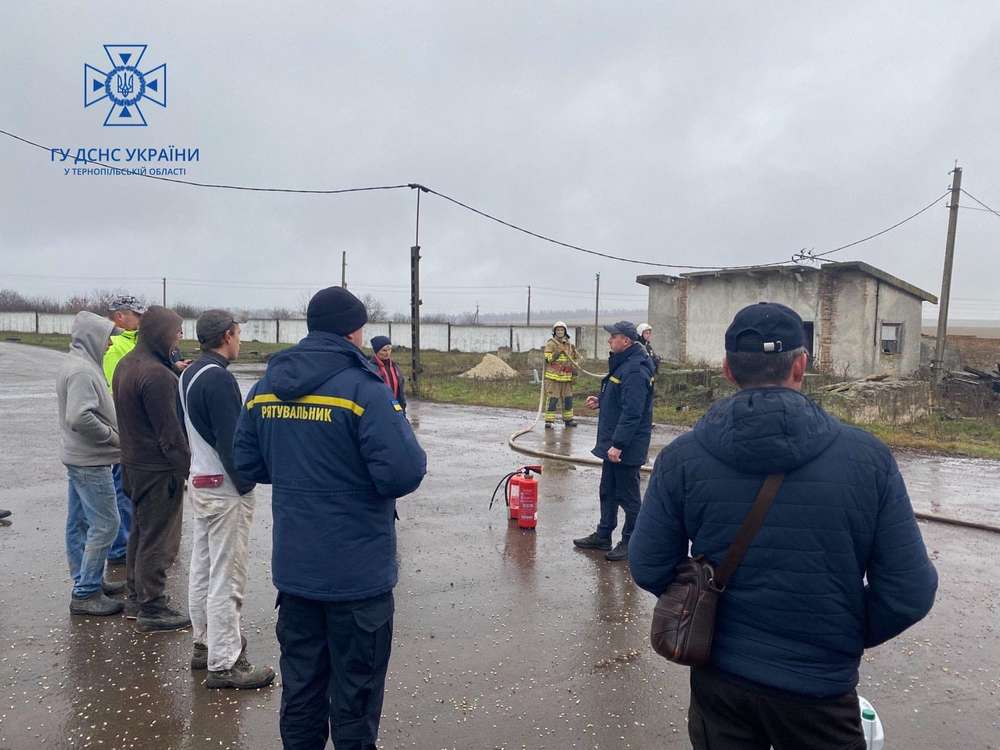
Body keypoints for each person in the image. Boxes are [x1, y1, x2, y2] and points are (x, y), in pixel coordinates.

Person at [629, 302, 938, 750]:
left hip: (721, 683)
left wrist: (705, 610)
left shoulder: (682, 458)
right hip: (821, 691)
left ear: (727, 370)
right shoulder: (868, 459)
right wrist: (843, 632)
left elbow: (648, 564)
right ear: (801, 365)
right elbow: (910, 591)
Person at [234, 286, 427, 750]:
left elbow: (247, 463)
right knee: (355, 699)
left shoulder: (265, 388)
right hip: (357, 580)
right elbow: (404, 472)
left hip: (296, 575)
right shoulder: (365, 390)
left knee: (301, 692)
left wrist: (299, 469)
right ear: (355, 331)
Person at [180, 310, 274, 689]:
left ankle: (204, 643)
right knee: (227, 575)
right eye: (237, 334)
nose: (240, 340)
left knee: (203, 566)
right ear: (226, 336)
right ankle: (224, 662)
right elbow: (231, 441)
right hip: (224, 488)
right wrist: (247, 482)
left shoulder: (189, 373)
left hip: (201, 480)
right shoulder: (218, 379)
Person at [112, 305, 192, 633]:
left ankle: (135, 598)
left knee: (140, 532)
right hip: (158, 470)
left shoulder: (127, 364)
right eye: (176, 333)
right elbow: (170, 435)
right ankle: (153, 606)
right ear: (161, 334)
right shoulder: (157, 376)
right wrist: (186, 469)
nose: (179, 339)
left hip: (132, 464)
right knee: (159, 538)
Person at [57, 311, 127, 615]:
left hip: (80, 458)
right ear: (93, 337)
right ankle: (86, 592)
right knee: (107, 524)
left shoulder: (78, 364)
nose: (110, 344)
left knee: (80, 523)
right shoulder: (82, 371)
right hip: (90, 460)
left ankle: (87, 580)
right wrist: (113, 437)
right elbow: (79, 416)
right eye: (107, 337)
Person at [573, 321, 654, 562]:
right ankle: (603, 535)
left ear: (626, 341)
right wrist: (602, 400)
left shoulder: (636, 369)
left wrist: (618, 445)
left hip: (626, 446)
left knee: (628, 496)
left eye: (613, 336)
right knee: (608, 490)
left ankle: (631, 541)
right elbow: (622, 398)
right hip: (614, 443)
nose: (609, 340)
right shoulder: (623, 363)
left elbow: (633, 412)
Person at [103, 294, 147, 565]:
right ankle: (121, 547)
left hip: (139, 428)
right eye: (136, 315)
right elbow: (114, 390)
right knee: (122, 487)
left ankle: (132, 541)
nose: (140, 319)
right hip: (125, 427)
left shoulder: (137, 342)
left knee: (133, 488)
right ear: (120, 316)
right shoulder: (114, 347)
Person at [543, 321, 579, 429]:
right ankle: (549, 421)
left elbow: (575, 360)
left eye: (562, 330)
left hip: (566, 378)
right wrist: (558, 351)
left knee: (568, 400)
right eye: (558, 330)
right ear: (554, 332)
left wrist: (575, 373)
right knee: (553, 399)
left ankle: (568, 420)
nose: (560, 332)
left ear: (565, 331)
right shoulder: (551, 344)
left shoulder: (570, 345)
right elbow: (548, 359)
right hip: (553, 378)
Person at [369, 335, 407, 411]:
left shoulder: (395, 367)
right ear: (376, 351)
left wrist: (403, 409)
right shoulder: (370, 368)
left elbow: (401, 390)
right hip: (378, 409)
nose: (387, 353)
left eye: (389, 349)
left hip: (396, 407)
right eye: (384, 350)